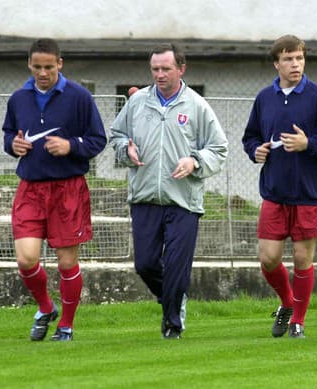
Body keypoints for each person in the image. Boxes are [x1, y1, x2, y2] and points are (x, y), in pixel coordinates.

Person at [110, 43, 228, 339]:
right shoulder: (137, 103)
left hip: (183, 201)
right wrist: (127, 149)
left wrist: (195, 161)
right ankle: (174, 299)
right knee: (145, 264)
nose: (159, 74)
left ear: (181, 69)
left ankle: (173, 324)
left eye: (166, 69)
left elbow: (219, 148)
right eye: (155, 69)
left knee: (176, 267)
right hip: (145, 197)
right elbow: (117, 135)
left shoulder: (197, 106)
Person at [242, 35, 317, 338]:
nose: (295, 64)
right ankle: (288, 302)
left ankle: (297, 321)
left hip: (310, 194)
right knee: (268, 258)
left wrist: (309, 144)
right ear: (276, 63)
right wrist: (255, 152)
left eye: (300, 58)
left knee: (303, 259)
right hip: (274, 193)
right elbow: (250, 138)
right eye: (289, 59)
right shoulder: (265, 98)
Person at [2, 38, 107, 341]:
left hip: (68, 190)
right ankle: (46, 307)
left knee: (66, 262)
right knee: (26, 259)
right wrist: (14, 145)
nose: (43, 72)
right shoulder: (18, 98)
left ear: (60, 64)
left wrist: (70, 145)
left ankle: (66, 325)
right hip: (31, 189)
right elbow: (9, 135)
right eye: (37, 67)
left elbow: (98, 140)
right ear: (29, 65)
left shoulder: (80, 97)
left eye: (49, 66)